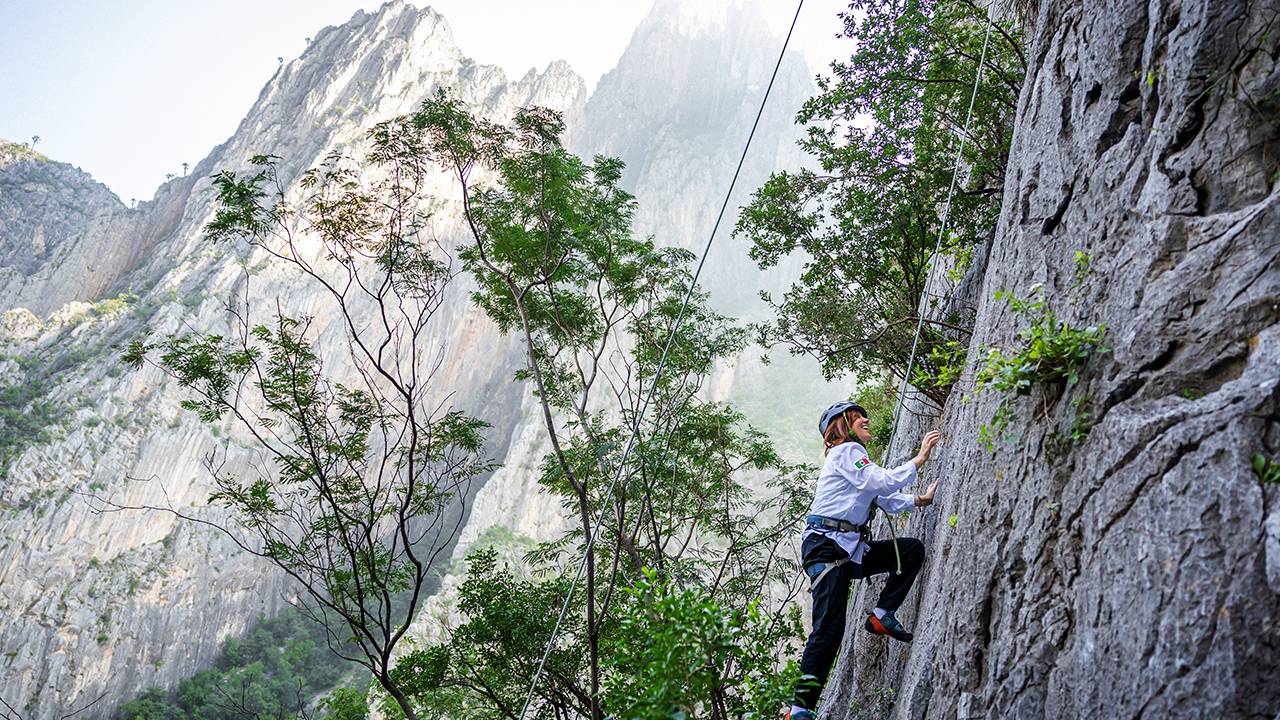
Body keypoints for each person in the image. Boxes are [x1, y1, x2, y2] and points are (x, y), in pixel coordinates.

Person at [785, 401, 941, 720]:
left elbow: (883, 497)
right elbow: (878, 482)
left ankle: (882, 614)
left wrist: (919, 500)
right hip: (828, 548)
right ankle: (798, 709)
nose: (866, 420)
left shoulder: (855, 458)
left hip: (843, 548)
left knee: (910, 550)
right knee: (828, 628)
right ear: (842, 426)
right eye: (858, 418)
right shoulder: (846, 452)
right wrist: (919, 459)